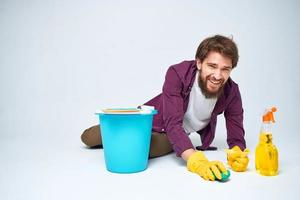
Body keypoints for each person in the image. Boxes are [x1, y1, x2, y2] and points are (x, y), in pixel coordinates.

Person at [81, 35, 249, 181]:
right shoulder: (177, 73)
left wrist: (238, 152)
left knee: (139, 150)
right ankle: (122, 124)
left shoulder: (231, 91)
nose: (218, 76)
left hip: (171, 134)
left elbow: (236, 130)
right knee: (89, 138)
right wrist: (198, 162)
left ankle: (122, 136)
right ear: (199, 63)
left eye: (225, 69)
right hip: (153, 119)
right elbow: (173, 123)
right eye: (212, 66)